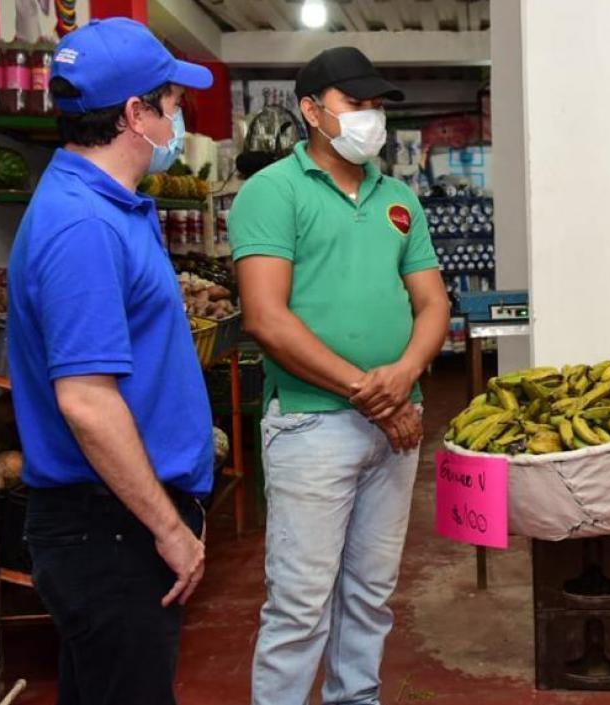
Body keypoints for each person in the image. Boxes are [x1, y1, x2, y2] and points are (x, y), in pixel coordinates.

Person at [228, 47, 450, 705]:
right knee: (299, 604)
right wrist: (374, 394)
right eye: (358, 104)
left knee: (372, 595)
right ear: (312, 110)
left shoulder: (399, 198)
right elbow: (267, 319)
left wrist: (406, 372)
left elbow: (433, 302)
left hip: (394, 429)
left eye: (379, 106)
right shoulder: (272, 192)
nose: (371, 118)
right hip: (310, 425)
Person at [5, 18, 215, 705]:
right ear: (136, 114)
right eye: (173, 103)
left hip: (117, 519)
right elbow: (87, 400)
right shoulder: (82, 226)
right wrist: (167, 527)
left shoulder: (109, 206)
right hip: (112, 528)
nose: (179, 118)